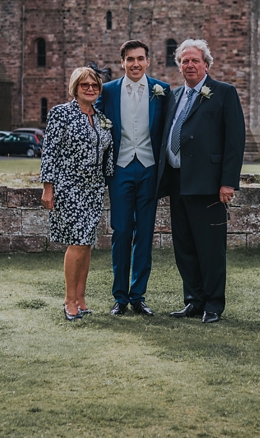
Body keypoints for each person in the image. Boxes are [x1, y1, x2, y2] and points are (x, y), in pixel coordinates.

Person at [156, 37, 246, 324]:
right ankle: (193, 301)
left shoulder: (223, 93)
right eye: (185, 61)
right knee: (184, 246)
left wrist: (228, 182)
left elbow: (235, 141)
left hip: (208, 185)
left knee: (210, 249)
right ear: (179, 66)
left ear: (206, 64)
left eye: (195, 60)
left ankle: (213, 305)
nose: (190, 65)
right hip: (178, 182)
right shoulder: (172, 97)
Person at [97, 40, 172, 316]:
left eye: (140, 58)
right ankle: (120, 296)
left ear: (148, 61)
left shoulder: (162, 90)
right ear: (122, 62)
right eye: (130, 59)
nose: (136, 64)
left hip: (150, 169)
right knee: (121, 232)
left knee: (145, 233)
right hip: (120, 169)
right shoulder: (108, 91)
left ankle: (138, 295)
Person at [40, 66, 114, 321]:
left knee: (86, 243)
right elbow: (49, 151)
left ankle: (82, 299)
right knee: (78, 241)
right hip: (68, 185)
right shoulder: (61, 113)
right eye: (85, 85)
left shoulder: (101, 116)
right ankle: (69, 300)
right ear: (75, 88)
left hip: (94, 187)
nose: (91, 89)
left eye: (95, 85)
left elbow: (107, 153)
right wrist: (47, 188)